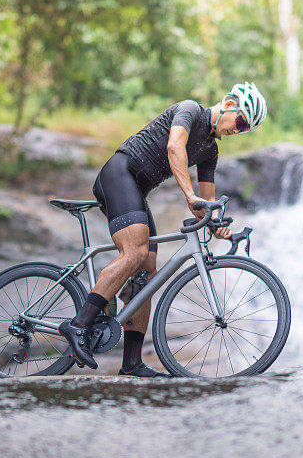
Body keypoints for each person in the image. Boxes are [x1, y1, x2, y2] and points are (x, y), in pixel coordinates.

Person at [59, 82, 267, 376]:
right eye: (242, 122)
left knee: (146, 273)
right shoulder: (190, 110)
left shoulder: (210, 151)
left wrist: (217, 225)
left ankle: (131, 364)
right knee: (135, 252)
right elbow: (174, 147)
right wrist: (189, 196)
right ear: (230, 106)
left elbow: (204, 203)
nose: (239, 130)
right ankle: (78, 325)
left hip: (136, 191)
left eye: (246, 130)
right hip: (119, 174)